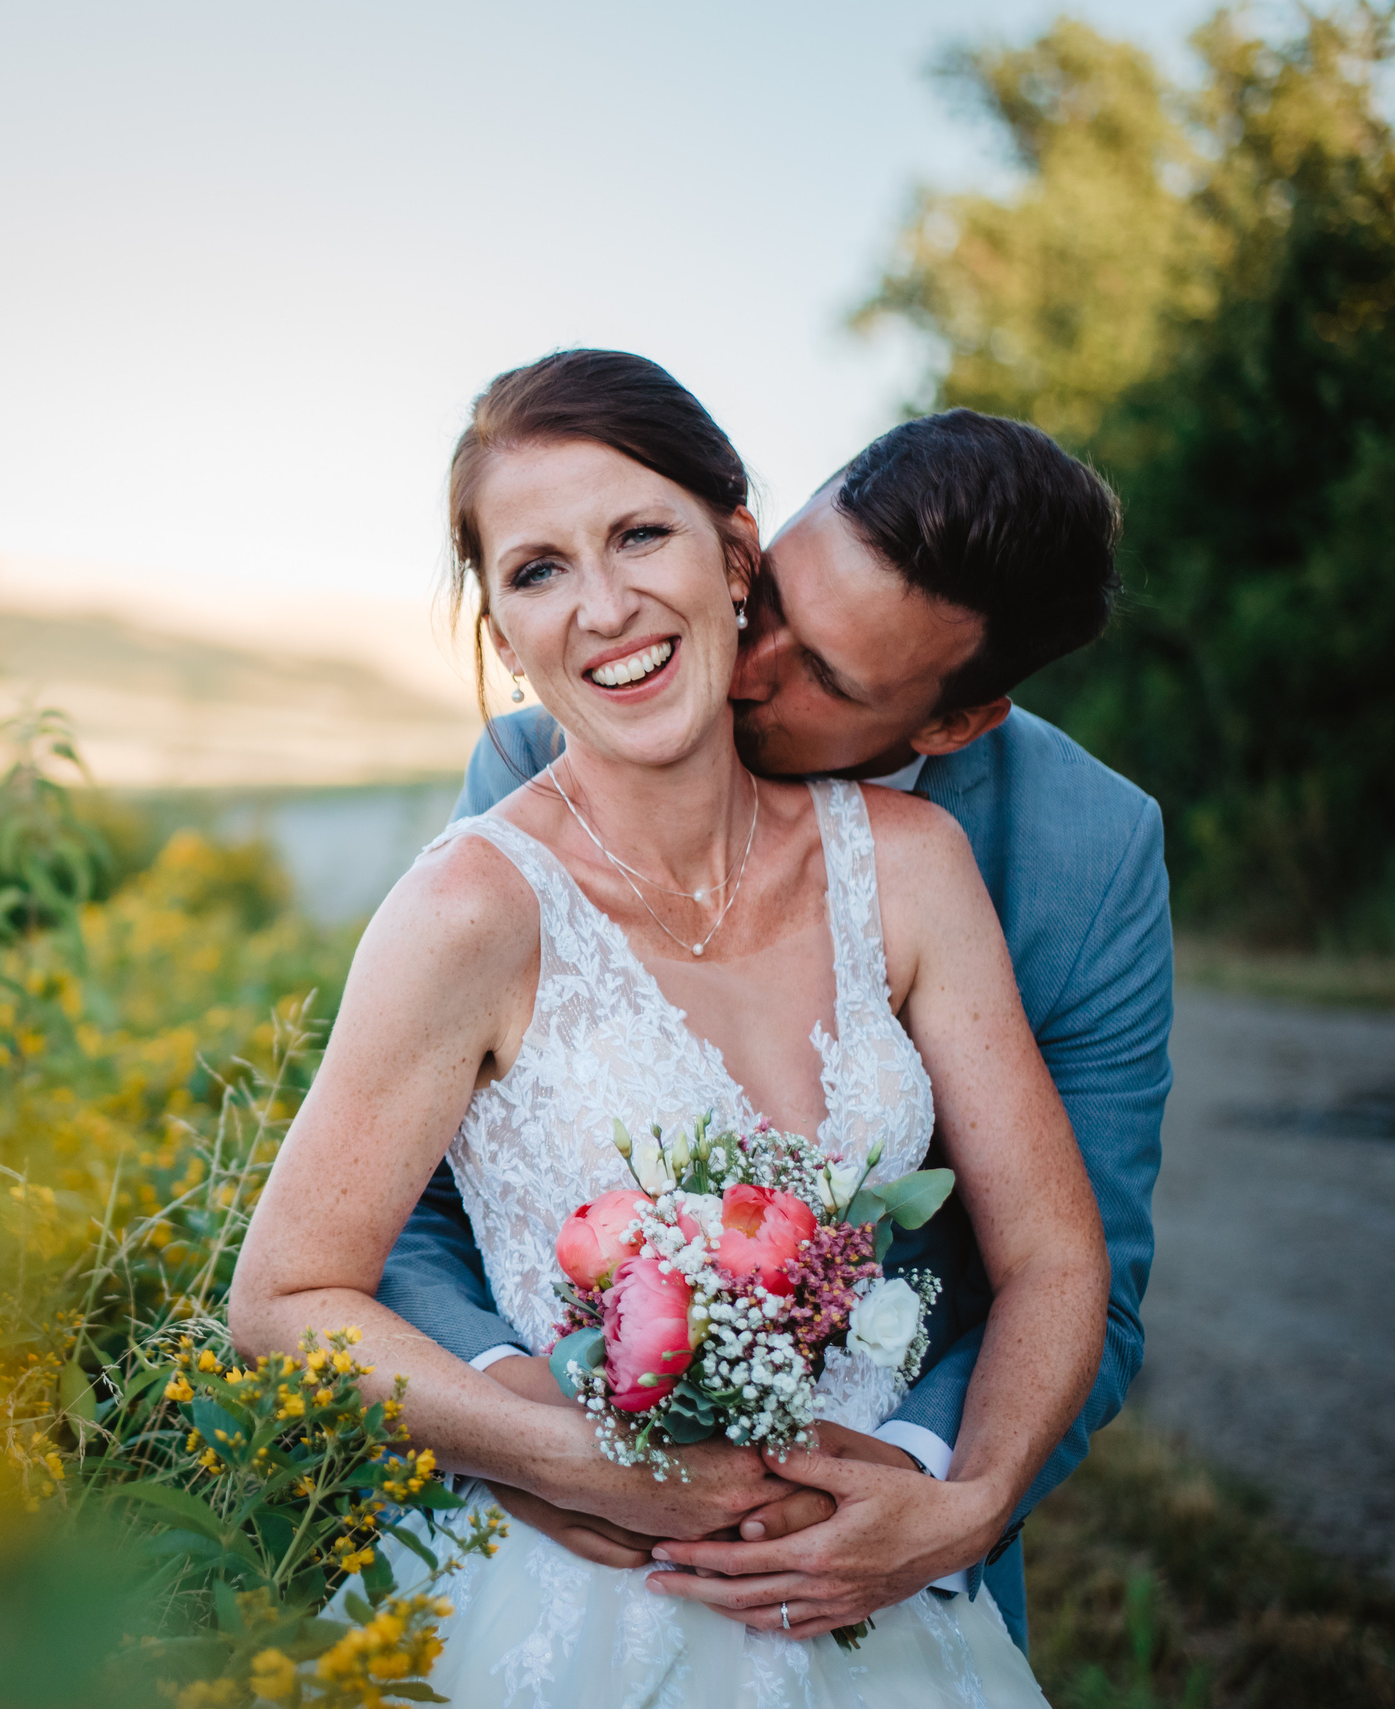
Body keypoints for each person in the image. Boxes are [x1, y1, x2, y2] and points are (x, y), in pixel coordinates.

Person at [229, 350, 1119, 1703]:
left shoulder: (918, 863)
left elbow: (1060, 1249)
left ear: (734, 551)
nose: (604, 606)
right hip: (574, 1595)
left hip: (868, 1592)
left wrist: (965, 1497)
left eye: (639, 533)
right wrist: (562, 1457)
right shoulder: (472, 908)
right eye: (536, 569)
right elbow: (285, 1298)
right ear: (498, 623)